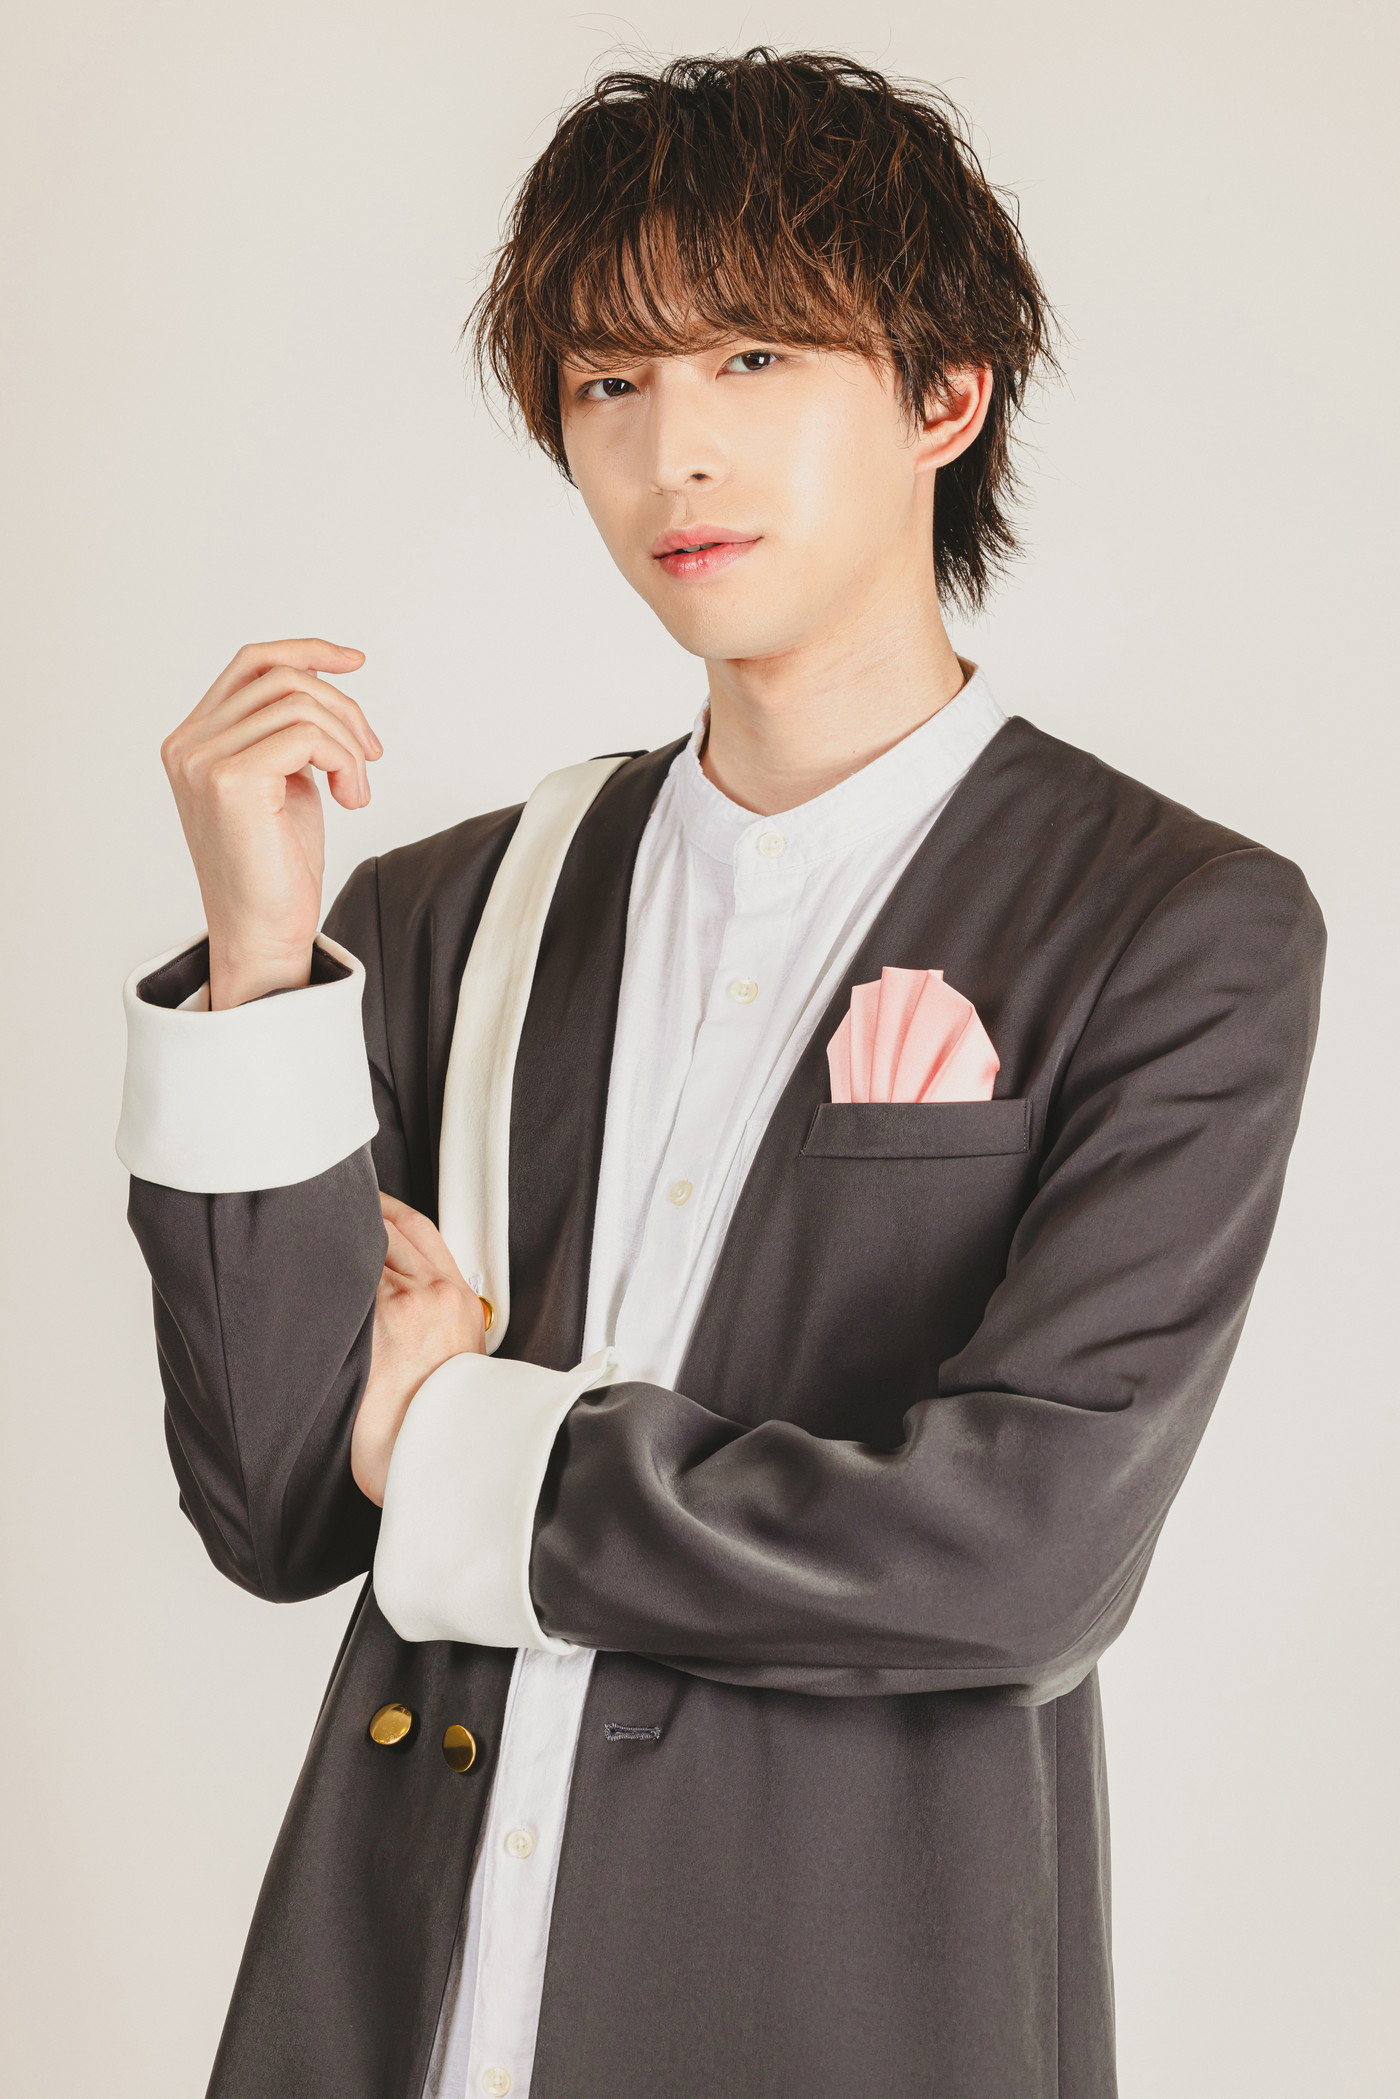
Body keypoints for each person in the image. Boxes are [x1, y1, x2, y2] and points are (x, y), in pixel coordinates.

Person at [117, 48, 1324, 2099]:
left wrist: (462, 1442)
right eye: (610, 381)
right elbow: (277, 1504)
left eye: (756, 358)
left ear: (946, 397)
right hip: (389, 2002)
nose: (674, 450)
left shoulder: (1172, 921)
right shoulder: (449, 909)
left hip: (842, 2006)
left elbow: (1014, 1564)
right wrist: (255, 963)